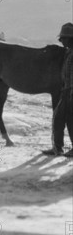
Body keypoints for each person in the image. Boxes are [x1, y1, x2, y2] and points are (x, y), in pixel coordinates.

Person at [42, 22, 73, 158]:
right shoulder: (68, 52)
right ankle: (57, 148)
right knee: (58, 118)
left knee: (70, 120)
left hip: (71, 91)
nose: (61, 41)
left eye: (64, 38)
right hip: (66, 90)